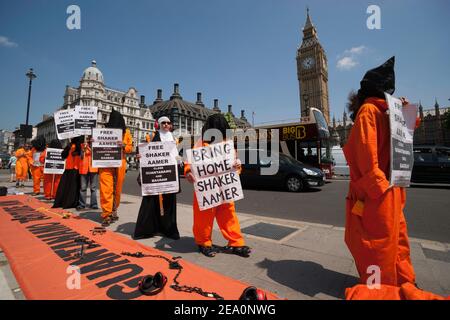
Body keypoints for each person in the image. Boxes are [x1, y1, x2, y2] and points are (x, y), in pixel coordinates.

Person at [343, 56, 416, 287]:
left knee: (377, 245)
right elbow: (371, 156)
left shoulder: (373, 111)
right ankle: (398, 284)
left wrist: (378, 192)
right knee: (394, 242)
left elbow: (368, 157)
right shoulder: (379, 111)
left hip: (378, 193)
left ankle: (386, 288)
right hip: (389, 190)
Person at [184, 113, 251, 258]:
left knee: (228, 215)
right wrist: (188, 171)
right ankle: (204, 243)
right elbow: (189, 162)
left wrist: (238, 166)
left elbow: (235, 162)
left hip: (224, 187)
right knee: (204, 217)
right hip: (206, 187)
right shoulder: (201, 143)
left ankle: (236, 243)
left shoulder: (227, 144)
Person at [133, 116, 180, 240]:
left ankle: (168, 230)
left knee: (169, 202)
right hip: (154, 174)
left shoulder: (174, 138)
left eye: (168, 123)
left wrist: (180, 160)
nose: (165, 125)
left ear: (170, 125)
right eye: (163, 123)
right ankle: (148, 230)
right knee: (151, 202)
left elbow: (176, 155)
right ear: (159, 124)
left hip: (169, 174)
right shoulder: (152, 137)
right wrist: (139, 155)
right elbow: (144, 152)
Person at [98, 109, 133, 226]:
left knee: (117, 189)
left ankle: (114, 209)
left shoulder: (126, 132)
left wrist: (124, 146)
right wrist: (93, 141)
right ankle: (106, 214)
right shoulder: (104, 131)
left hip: (120, 163)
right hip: (105, 163)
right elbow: (98, 145)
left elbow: (130, 148)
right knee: (105, 188)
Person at [53, 136, 82, 209]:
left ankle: (71, 202)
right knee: (64, 186)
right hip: (68, 168)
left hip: (75, 168)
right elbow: (63, 155)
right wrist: (67, 148)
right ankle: (64, 201)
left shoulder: (80, 145)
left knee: (73, 187)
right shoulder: (69, 145)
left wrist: (77, 152)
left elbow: (81, 154)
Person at [77, 136, 99, 210]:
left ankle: (94, 204)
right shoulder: (82, 146)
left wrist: (91, 147)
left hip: (93, 169)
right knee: (83, 188)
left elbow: (97, 156)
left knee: (93, 188)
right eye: (88, 138)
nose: (89, 140)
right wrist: (83, 150)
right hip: (84, 169)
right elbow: (81, 157)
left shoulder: (96, 146)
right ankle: (81, 204)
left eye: (90, 138)